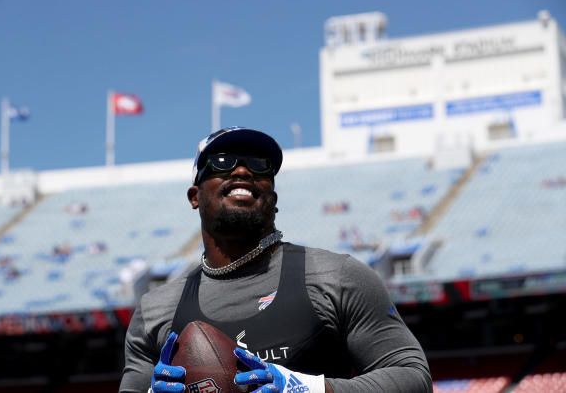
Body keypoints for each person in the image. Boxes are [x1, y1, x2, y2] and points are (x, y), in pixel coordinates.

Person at [120, 127, 432, 393]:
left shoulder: (337, 277)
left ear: (274, 198)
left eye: (260, 166)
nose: (242, 171)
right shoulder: (156, 309)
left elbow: (413, 377)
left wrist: (301, 387)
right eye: (221, 163)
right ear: (194, 196)